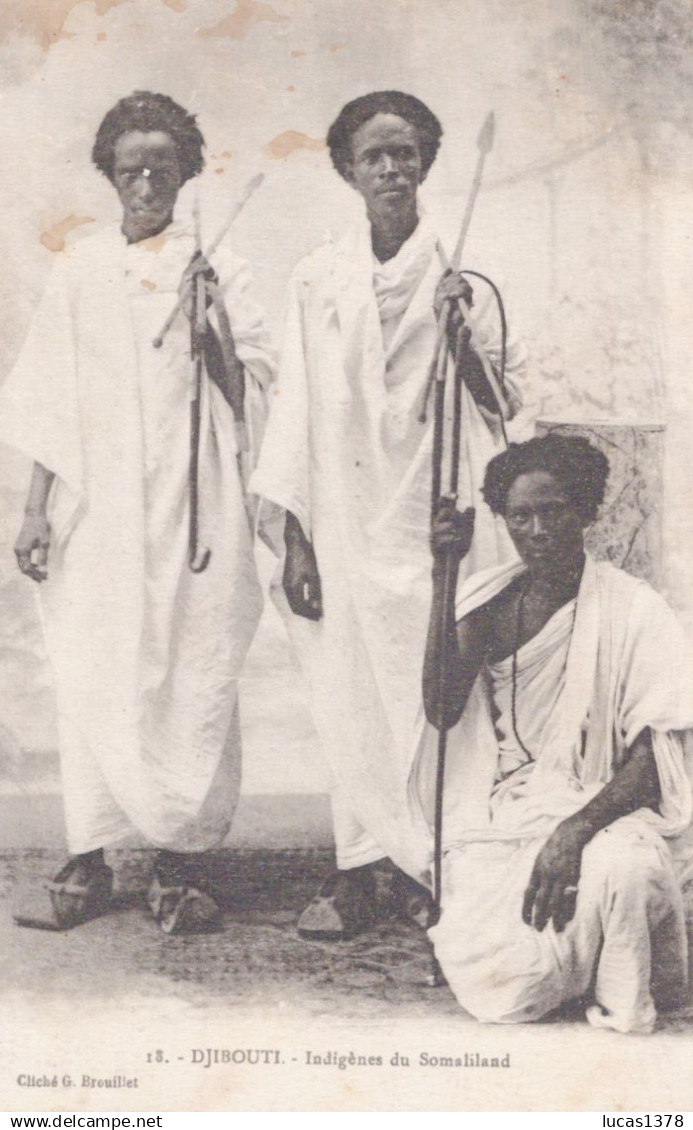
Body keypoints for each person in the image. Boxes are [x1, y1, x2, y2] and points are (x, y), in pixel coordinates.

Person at [251, 90, 526, 938]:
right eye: (373, 155)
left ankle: (432, 863)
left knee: (439, 688)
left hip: (437, 515)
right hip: (343, 514)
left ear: (424, 163)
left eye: (404, 153)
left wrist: (461, 337)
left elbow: (502, 405)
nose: (390, 169)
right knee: (349, 690)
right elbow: (295, 406)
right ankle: (359, 870)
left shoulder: (465, 272)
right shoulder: (317, 277)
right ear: (348, 169)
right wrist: (295, 536)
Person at [1, 92, 275, 933]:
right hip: (99, 508)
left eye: (162, 168)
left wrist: (211, 325)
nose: (146, 183)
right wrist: (35, 511)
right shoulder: (79, 269)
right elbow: (50, 400)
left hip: (196, 505)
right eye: (131, 170)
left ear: (186, 173)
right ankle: (89, 853)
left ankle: (181, 861)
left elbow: (257, 391)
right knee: (94, 665)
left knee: (193, 663)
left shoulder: (221, 266)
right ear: (110, 176)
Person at [421, 434, 692, 1033]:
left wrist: (572, 832)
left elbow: (654, 761)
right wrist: (444, 574)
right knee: (511, 988)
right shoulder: (489, 605)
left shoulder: (635, 609)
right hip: (510, 815)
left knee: (624, 868)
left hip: (608, 810)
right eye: (521, 516)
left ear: (587, 511)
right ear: (505, 521)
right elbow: (441, 709)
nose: (538, 530)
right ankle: (573, 967)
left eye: (554, 511)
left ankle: (615, 992)